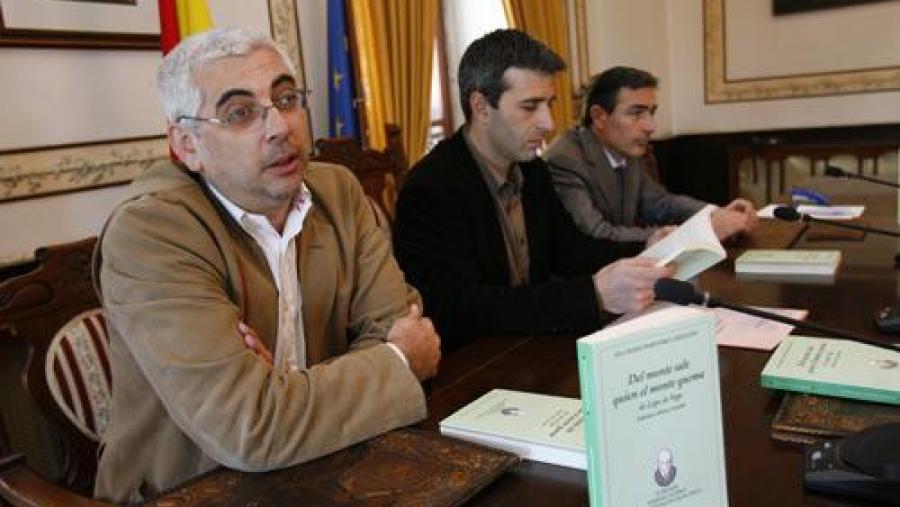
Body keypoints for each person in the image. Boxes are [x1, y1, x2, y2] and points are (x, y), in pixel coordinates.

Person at [92, 27, 440, 504]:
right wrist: (397, 362)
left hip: (330, 462)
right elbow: (249, 427)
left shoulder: (336, 190)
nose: (280, 127)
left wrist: (284, 393)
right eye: (240, 114)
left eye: (287, 98)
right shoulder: (152, 231)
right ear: (186, 144)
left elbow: (400, 322)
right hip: (191, 489)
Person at [393, 30, 672, 350]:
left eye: (549, 104)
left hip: (531, 348)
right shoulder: (430, 187)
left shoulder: (531, 168)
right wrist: (592, 294)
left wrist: (650, 249)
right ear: (481, 107)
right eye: (530, 107)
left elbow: (572, 251)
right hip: (475, 366)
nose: (548, 123)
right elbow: (457, 309)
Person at [545, 66, 757, 243]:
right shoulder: (565, 158)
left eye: (651, 112)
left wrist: (715, 213)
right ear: (599, 116)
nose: (650, 126)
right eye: (636, 114)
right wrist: (694, 234)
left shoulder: (626, 148)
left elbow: (660, 204)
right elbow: (595, 233)